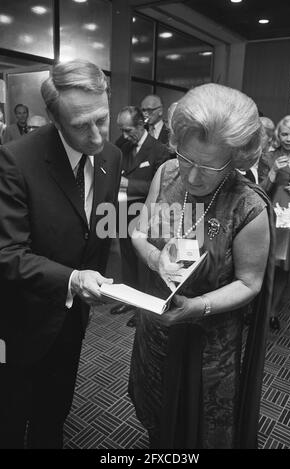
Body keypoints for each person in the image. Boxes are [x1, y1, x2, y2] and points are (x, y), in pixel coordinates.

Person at [128, 83, 275, 449]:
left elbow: (249, 283)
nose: (192, 177)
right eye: (186, 158)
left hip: (209, 343)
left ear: (237, 158)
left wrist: (197, 307)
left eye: (208, 167)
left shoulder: (247, 206)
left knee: (198, 430)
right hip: (157, 325)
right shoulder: (166, 174)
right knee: (157, 417)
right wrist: (154, 258)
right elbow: (138, 231)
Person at [0, 59, 122, 448]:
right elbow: (7, 252)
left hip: (74, 315)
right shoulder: (16, 161)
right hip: (22, 318)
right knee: (11, 417)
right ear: (53, 117)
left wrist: (148, 252)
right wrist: (72, 279)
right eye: (80, 125)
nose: (96, 135)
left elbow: (102, 226)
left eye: (102, 119)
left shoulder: (112, 157)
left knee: (54, 413)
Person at [111, 106, 169, 323]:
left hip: (145, 216)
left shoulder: (159, 150)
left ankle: (142, 308)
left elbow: (161, 186)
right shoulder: (122, 145)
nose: (124, 136)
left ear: (140, 125)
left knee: (143, 262)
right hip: (121, 211)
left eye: (128, 130)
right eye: (121, 130)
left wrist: (129, 184)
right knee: (126, 258)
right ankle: (129, 298)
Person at [260, 115, 290, 331]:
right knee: (267, 268)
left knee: (285, 269)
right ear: (278, 135)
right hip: (272, 220)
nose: (288, 138)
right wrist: (274, 171)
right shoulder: (269, 157)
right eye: (284, 134)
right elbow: (261, 190)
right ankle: (260, 311)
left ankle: (273, 312)